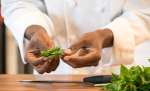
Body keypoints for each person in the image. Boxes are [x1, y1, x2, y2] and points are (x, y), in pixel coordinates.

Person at [1, 0, 150, 74]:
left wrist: (106, 35)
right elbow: (18, 3)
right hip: (57, 77)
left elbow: (145, 10)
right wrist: (34, 29)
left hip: (125, 69)